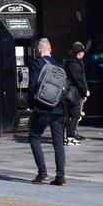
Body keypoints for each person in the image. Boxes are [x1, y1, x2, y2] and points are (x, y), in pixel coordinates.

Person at [27, 38, 68, 185]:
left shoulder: (37, 63)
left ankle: (42, 173)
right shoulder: (59, 64)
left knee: (34, 137)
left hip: (42, 108)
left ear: (38, 50)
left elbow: (31, 86)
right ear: (50, 49)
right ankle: (60, 176)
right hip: (58, 109)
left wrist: (33, 105)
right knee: (58, 143)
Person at [64, 41, 89, 145]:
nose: (84, 54)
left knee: (71, 114)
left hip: (69, 92)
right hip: (73, 93)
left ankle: (70, 135)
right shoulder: (74, 64)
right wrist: (85, 92)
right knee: (75, 113)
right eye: (83, 52)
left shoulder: (69, 62)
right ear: (79, 53)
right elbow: (78, 80)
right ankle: (70, 136)